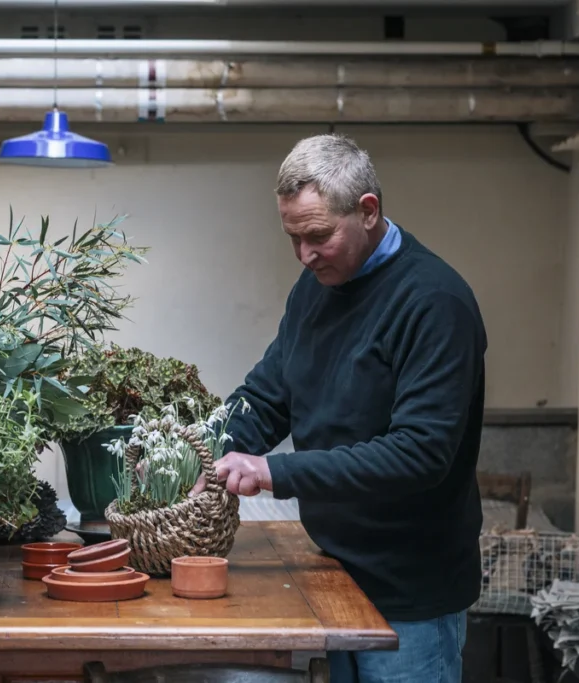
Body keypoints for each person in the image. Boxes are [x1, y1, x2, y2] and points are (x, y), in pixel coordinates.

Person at [196, 133, 486, 682]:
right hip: (331, 573)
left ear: (368, 211)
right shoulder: (315, 289)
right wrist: (201, 452)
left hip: (412, 594)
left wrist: (272, 472)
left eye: (318, 236)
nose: (305, 255)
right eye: (293, 238)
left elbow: (419, 455)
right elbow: (265, 397)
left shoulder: (434, 303)